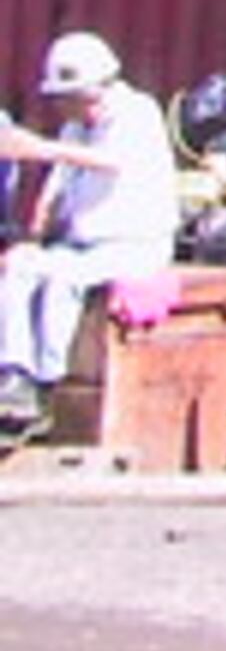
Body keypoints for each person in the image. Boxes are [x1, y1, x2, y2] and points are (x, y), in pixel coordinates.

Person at [0, 31, 180, 443]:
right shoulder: (73, 130)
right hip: (83, 246)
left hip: (135, 245)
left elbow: (112, 163)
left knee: (62, 282)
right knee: (20, 270)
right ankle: (15, 376)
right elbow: (54, 190)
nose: (67, 107)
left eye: (72, 97)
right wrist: (33, 236)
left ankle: (48, 382)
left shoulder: (138, 114)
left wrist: (44, 149)